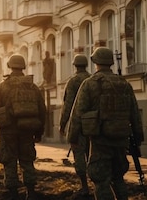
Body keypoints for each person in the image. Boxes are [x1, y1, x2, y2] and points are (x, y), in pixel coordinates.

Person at [68, 47, 144, 200]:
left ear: (95, 61)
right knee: (118, 177)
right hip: (121, 138)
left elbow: (77, 113)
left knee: (101, 180)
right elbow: (134, 113)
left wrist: (73, 137)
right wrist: (138, 135)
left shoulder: (90, 84)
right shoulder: (124, 84)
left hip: (100, 139)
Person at [0, 54, 47, 200]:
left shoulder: (2, 87)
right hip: (27, 131)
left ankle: (13, 194)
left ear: (9, 66)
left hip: (8, 132)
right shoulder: (33, 87)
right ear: (23, 67)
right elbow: (42, 110)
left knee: (9, 162)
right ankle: (31, 193)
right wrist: (40, 131)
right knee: (27, 162)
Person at [59, 54, 92, 198]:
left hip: (78, 124)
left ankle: (84, 186)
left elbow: (67, 105)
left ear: (75, 65)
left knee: (79, 155)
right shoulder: (92, 79)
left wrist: (62, 124)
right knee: (93, 153)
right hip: (94, 124)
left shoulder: (72, 82)